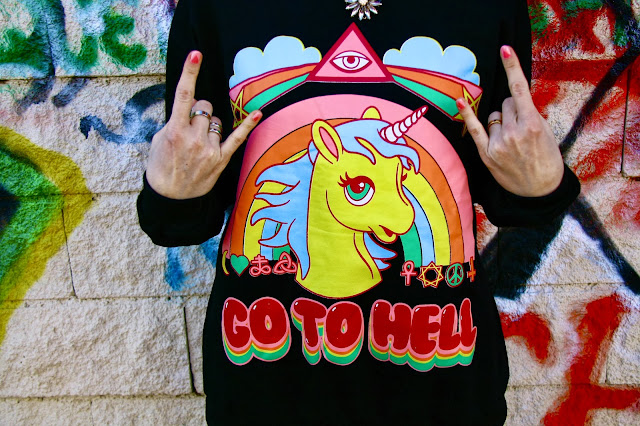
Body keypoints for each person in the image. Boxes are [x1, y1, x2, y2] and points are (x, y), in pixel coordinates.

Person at [137, 0, 580, 424]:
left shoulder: (489, 4)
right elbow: (185, 212)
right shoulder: (217, 5)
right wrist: (171, 194)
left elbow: (506, 190)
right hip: (267, 388)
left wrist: (540, 186)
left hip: (442, 386)